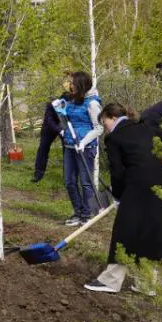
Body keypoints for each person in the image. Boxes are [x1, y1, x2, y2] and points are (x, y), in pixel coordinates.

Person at [87, 99, 162, 294]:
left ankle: (111, 281)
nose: (105, 128)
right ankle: (147, 284)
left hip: (137, 185)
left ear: (113, 118)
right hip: (160, 182)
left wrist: (118, 197)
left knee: (125, 230)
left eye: (104, 123)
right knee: (149, 230)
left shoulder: (114, 138)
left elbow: (117, 172)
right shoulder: (146, 128)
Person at [52, 71, 104, 227]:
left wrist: (84, 142)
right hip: (69, 145)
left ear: (80, 85)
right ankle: (78, 212)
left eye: (73, 83)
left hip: (85, 148)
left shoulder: (92, 103)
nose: (70, 86)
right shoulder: (73, 101)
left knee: (86, 183)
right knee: (69, 182)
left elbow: (99, 128)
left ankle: (88, 214)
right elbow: (66, 119)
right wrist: (60, 110)